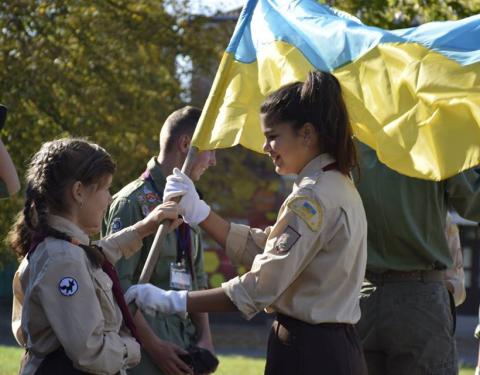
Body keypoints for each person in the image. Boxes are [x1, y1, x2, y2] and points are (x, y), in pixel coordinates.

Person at [126, 71, 369, 375]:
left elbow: (261, 284)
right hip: (329, 347)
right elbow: (270, 248)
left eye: (272, 136)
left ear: (306, 134)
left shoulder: (313, 198)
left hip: (310, 351)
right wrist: (200, 213)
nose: (267, 148)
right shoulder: (335, 184)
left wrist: (172, 300)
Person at [8, 138, 182, 375]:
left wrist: (145, 228)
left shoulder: (63, 248)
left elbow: (95, 254)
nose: (109, 198)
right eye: (105, 188)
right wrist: (131, 346)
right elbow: (91, 352)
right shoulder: (63, 259)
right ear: (79, 192)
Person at [102, 106, 216, 375]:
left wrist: (205, 339)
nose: (214, 161)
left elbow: (197, 281)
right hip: (144, 354)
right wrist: (154, 347)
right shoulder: (132, 202)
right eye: (211, 149)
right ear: (186, 144)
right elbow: (118, 285)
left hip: (183, 345)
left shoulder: (191, 204)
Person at [353, 141, 480, 375]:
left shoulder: (351, 138)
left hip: (358, 296)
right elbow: (474, 203)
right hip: (419, 297)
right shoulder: (432, 137)